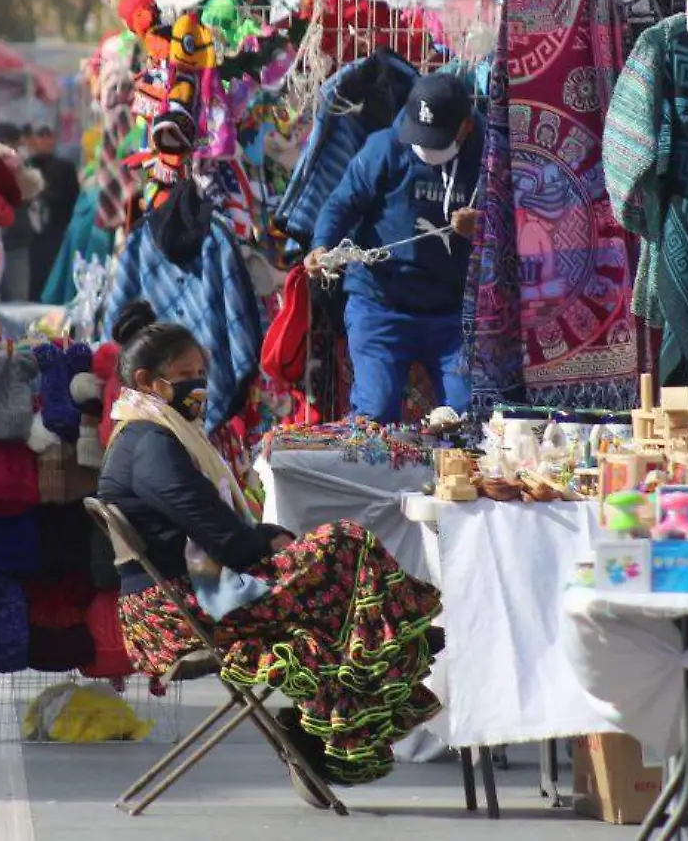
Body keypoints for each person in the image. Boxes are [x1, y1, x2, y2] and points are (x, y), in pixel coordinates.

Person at [97, 301, 442, 792]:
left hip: (196, 591)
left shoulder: (156, 434)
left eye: (201, 373)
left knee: (336, 586)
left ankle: (382, 649)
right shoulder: (149, 444)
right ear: (151, 382)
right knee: (345, 543)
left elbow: (218, 533)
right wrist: (267, 539)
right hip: (177, 609)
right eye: (185, 374)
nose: (198, 384)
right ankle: (398, 634)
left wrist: (263, 542)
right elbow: (224, 537)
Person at [306, 73, 482, 422]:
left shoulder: (488, 157)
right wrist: (321, 245)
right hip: (379, 304)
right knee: (376, 410)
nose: (427, 148)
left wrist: (484, 227)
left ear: (464, 128)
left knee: (468, 415)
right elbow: (342, 203)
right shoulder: (384, 147)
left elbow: (519, 222)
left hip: (450, 313)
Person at [21, 124, 80, 302]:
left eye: (48, 136)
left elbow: (71, 199)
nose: (45, 141)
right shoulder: (25, 166)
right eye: (40, 136)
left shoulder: (65, 167)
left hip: (57, 232)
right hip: (29, 237)